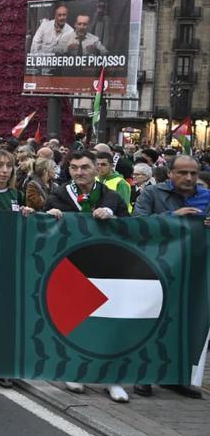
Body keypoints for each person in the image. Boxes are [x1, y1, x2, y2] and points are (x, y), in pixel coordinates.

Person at [41, 150, 129, 402]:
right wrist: (50, 217)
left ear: (96, 169)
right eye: (75, 168)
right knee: (74, 322)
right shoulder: (58, 195)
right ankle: (74, 370)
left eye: (85, 167)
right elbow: (44, 227)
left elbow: (131, 226)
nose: (80, 172)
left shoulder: (111, 196)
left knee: (107, 324)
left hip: (104, 267)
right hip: (70, 267)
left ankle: (111, 378)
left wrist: (113, 218)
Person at [132, 155, 209, 399]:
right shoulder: (152, 194)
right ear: (170, 174)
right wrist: (173, 217)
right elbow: (137, 224)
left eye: (193, 174)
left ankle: (175, 377)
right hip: (157, 269)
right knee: (152, 322)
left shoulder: (207, 197)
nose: (189, 178)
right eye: (183, 173)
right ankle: (144, 375)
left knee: (183, 324)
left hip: (192, 271)